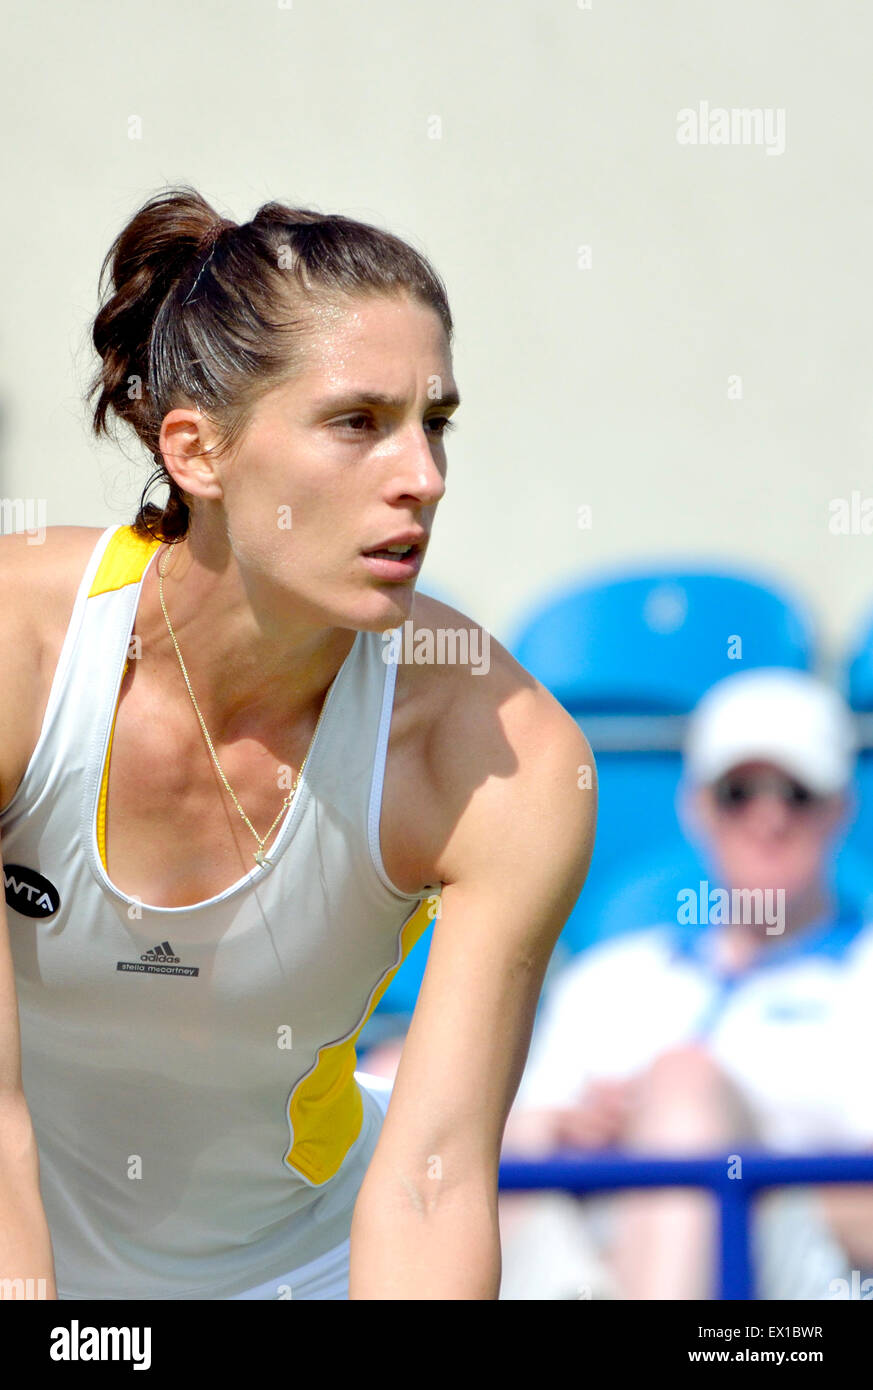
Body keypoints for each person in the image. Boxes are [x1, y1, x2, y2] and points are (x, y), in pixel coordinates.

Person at [0, 186, 596, 1300]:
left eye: (436, 422)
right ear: (198, 452)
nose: (422, 474)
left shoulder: (503, 752)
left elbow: (432, 1183)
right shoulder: (14, 651)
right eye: (358, 422)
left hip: (305, 1275)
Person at [501, 667, 873, 1300]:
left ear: (840, 811)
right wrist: (572, 1132)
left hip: (798, 1288)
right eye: (740, 792)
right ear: (698, 807)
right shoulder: (609, 977)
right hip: (592, 1254)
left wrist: (705, 1130)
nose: (768, 819)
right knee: (405, 1087)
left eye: (797, 794)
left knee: (683, 1089)